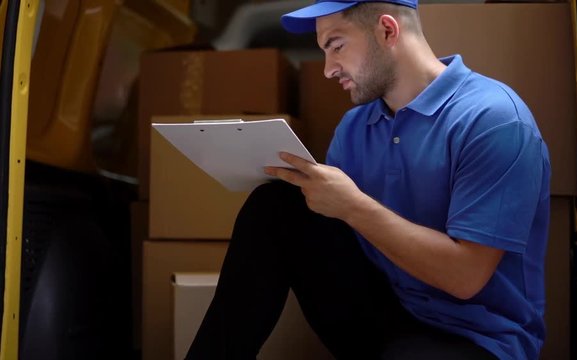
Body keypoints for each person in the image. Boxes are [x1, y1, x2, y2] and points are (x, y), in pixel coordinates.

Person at [187, 0, 551, 359]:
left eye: (337, 46)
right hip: (388, 311)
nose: (328, 69)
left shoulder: (493, 119)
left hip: (475, 336)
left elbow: (466, 279)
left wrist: (352, 206)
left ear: (387, 31)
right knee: (276, 205)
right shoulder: (356, 126)